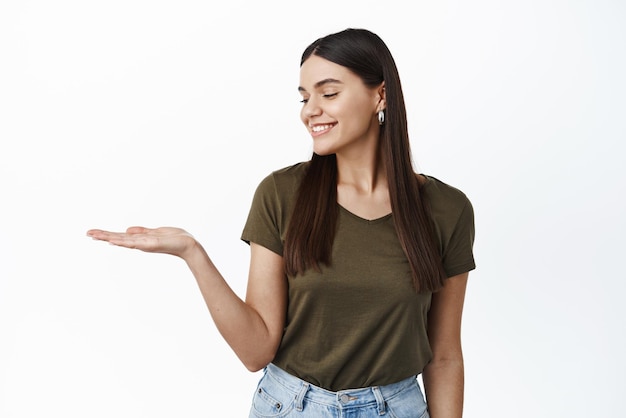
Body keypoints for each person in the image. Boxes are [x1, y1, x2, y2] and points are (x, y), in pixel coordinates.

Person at [87, 28, 475, 418]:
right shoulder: (281, 194)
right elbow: (256, 352)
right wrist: (193, 253)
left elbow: (443, 357)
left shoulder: (447, 209)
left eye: (329, 93)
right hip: (292, 407)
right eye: (305, 97)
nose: (310, 110)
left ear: (381, 94)